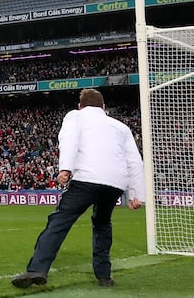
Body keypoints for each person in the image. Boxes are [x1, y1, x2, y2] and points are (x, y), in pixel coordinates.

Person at [12, 89, 146, 289]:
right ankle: (104, 277)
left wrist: (65, 168)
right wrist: (137, 194)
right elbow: (135, 161)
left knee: (59, 221)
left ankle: (37, 269)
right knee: (102, 223)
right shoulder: (121, 126)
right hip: (115, 183)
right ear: (103, 107)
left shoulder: (75, 116)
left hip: (86, 179)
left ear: (80, 106)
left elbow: (69, 139)